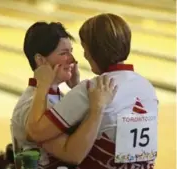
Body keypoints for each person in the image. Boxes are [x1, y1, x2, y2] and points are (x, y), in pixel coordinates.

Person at [26, 13, 158, 169]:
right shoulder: (146, 87)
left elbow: (35, 132)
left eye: (85, 48)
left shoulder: (91, 89)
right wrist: (76, 87)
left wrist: (43, 85)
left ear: (95, 51)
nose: (84, 55)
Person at [10, 21, 118, 169]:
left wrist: (76, 88)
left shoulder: (54, 96)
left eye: (71, 52)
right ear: (41, 60)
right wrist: (95, 108)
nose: (72, 60)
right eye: (63, 53)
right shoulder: (31, 105)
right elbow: (72, 154)